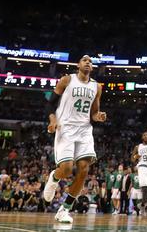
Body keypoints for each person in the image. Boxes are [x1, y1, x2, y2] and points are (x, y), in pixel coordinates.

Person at [42, 55, 106, 224]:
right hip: (66, 128)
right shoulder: (67, 80)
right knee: (67, 169)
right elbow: (50, 104)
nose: (87, 62)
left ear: (92, 68)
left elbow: (94, 113)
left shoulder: (96, 87)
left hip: (84, 129)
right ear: (78, 64)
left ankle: (65, 209)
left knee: (84, 169)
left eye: (90, 62)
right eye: (84, 60)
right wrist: (53, 121)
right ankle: (55, 177)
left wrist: (98, 117)